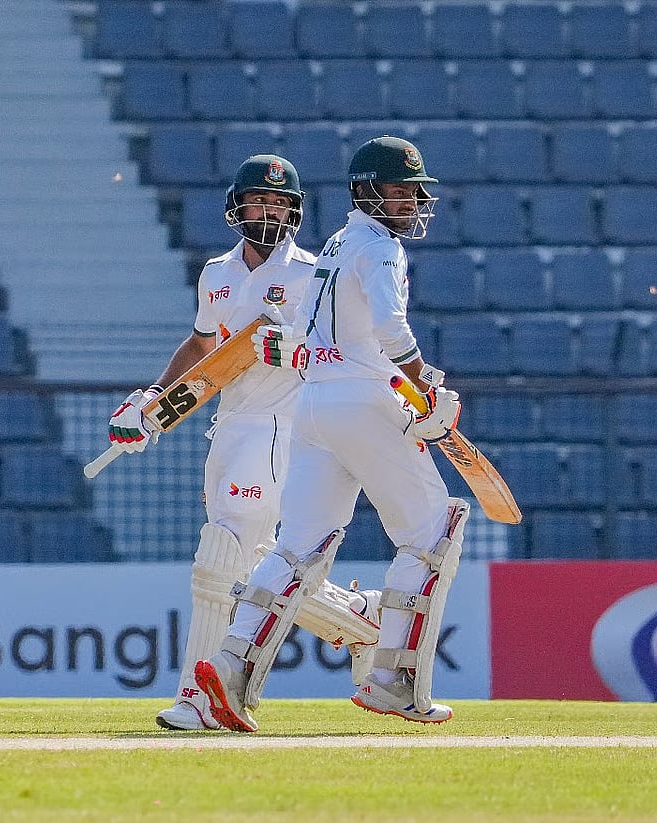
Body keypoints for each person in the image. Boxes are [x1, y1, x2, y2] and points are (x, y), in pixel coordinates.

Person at [194, 135, 470, 733]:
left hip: (313, 406)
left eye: (412, 195)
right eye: (397, 192)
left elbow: (316, 331)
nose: (408, 204)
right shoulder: (379, 247)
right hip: (364, 398)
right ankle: (394, 680)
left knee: (298, 547)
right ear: (367, 191)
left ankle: (230, 669)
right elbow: (391, 330)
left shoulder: (339, 243)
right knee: (430, 535)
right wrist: (424, 388)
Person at [107, 155, 378, 731]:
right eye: (261, 201)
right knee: (251, 566)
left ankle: (199, 697)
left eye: (282, 204)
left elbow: (349, 353)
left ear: (296, 211)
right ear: (237, 207)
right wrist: (151, 400)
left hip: (285, 430)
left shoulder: (314, 275)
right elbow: (204, 346)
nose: (271, 212)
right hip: (230, 426)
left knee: (219, 556)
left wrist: (297, 350)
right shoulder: (217, 274)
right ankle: (359, 621)